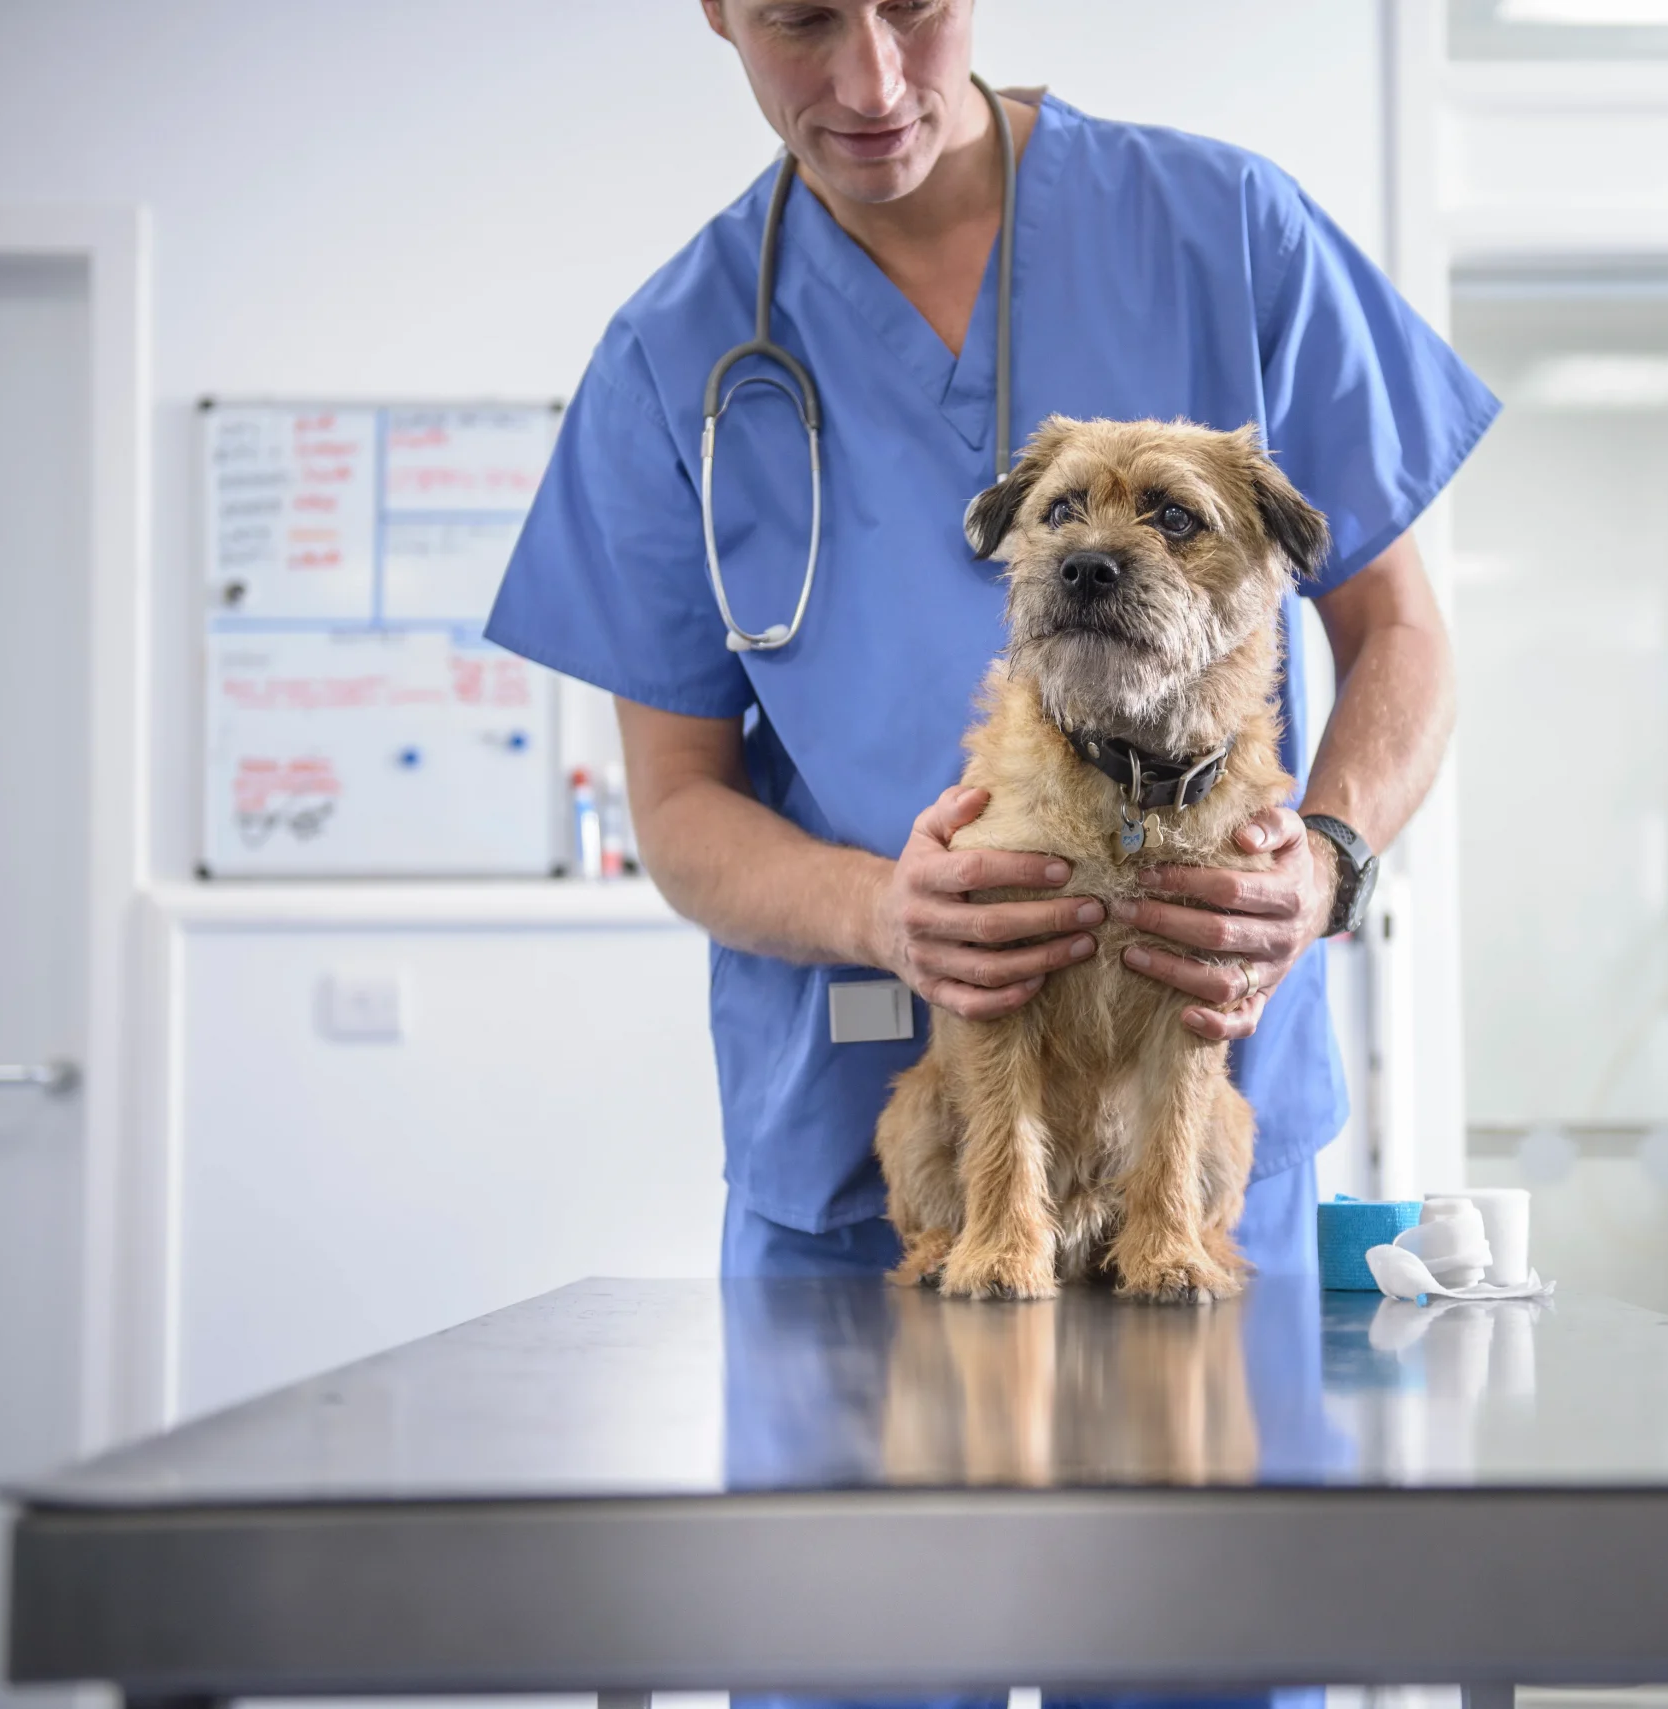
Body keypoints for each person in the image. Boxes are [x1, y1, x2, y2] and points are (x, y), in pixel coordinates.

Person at [486, 0, 1497, 1287]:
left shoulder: (1227, 232)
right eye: (801, 21)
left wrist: (1327, 862)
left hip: (1191, 1149)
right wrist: (888, 916)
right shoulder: (667, 356)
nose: (871, 77)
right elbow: (677, 804)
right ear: (717, 12)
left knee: (1214, 1473)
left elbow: (1399, 628)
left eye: (913, 7)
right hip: (868, 1162)